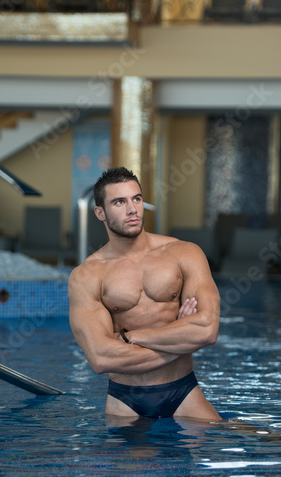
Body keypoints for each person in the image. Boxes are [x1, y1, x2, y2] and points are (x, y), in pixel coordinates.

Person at [68, 166, 221, 421]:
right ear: (100, 213)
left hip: (184, 390)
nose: (132, 209)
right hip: (125, 400)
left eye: (136, 199)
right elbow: (101, 357)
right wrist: (182, 338)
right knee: (134, 462)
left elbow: (207, 330)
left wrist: (131, 337)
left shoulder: (184, 253)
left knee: (252, 442)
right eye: (119, 202)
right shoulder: (87, 275)